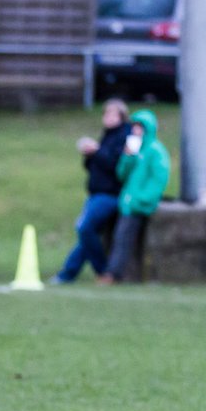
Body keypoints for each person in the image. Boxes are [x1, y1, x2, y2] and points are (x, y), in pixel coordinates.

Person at [50, 98, 132, 285]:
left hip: (110, 194)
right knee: (87, 235)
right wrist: (89, 155)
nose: (108, 117)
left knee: (84, 228)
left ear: (121, 116)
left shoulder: (124, 136)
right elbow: (94, 166)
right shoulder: (107, 135)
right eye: (106, 113)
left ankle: (102, 270)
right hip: (96, 194)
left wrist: (96, 151)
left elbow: (116, 166)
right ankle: (67, 274)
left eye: (112, 114)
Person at [98, 108, 169, 285]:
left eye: (140, 128)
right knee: (119, 237)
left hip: (139, 204)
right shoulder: (134, 150)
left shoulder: (155, 151)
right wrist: (128, 158)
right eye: (134, 127)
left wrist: (142, 199)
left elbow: (159, 178)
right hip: (128, 203)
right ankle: (118, 273)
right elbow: (122, 174)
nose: (136, 131)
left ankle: (113, 274)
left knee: (123, 237)